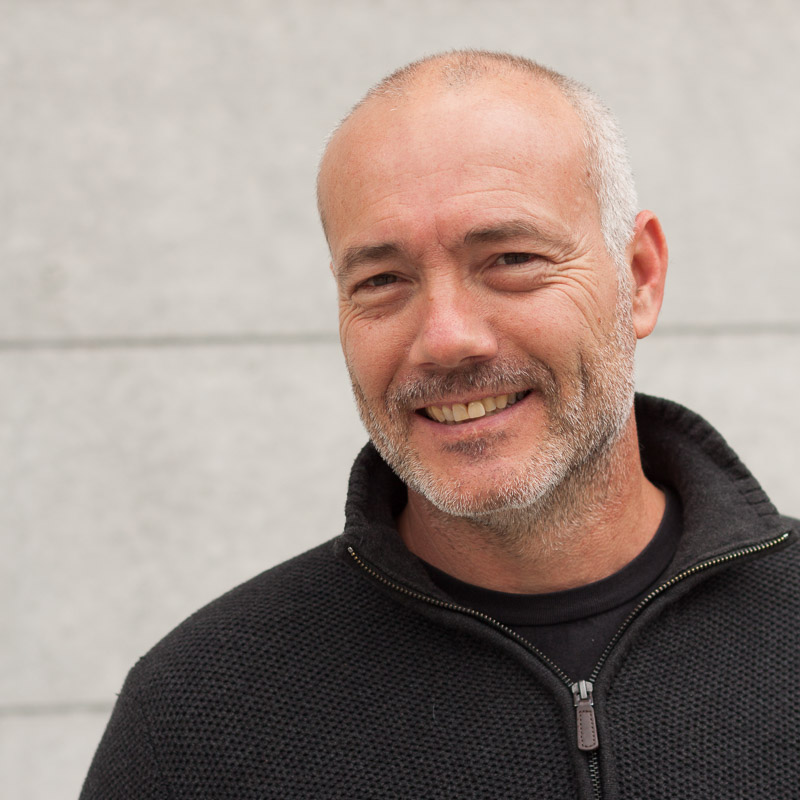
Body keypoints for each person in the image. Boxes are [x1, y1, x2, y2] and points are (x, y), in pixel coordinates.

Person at [80, 51, 799, 799]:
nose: (447, 338)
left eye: (511, 258)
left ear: (640, 277)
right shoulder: (197, 720)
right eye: (382, 280)